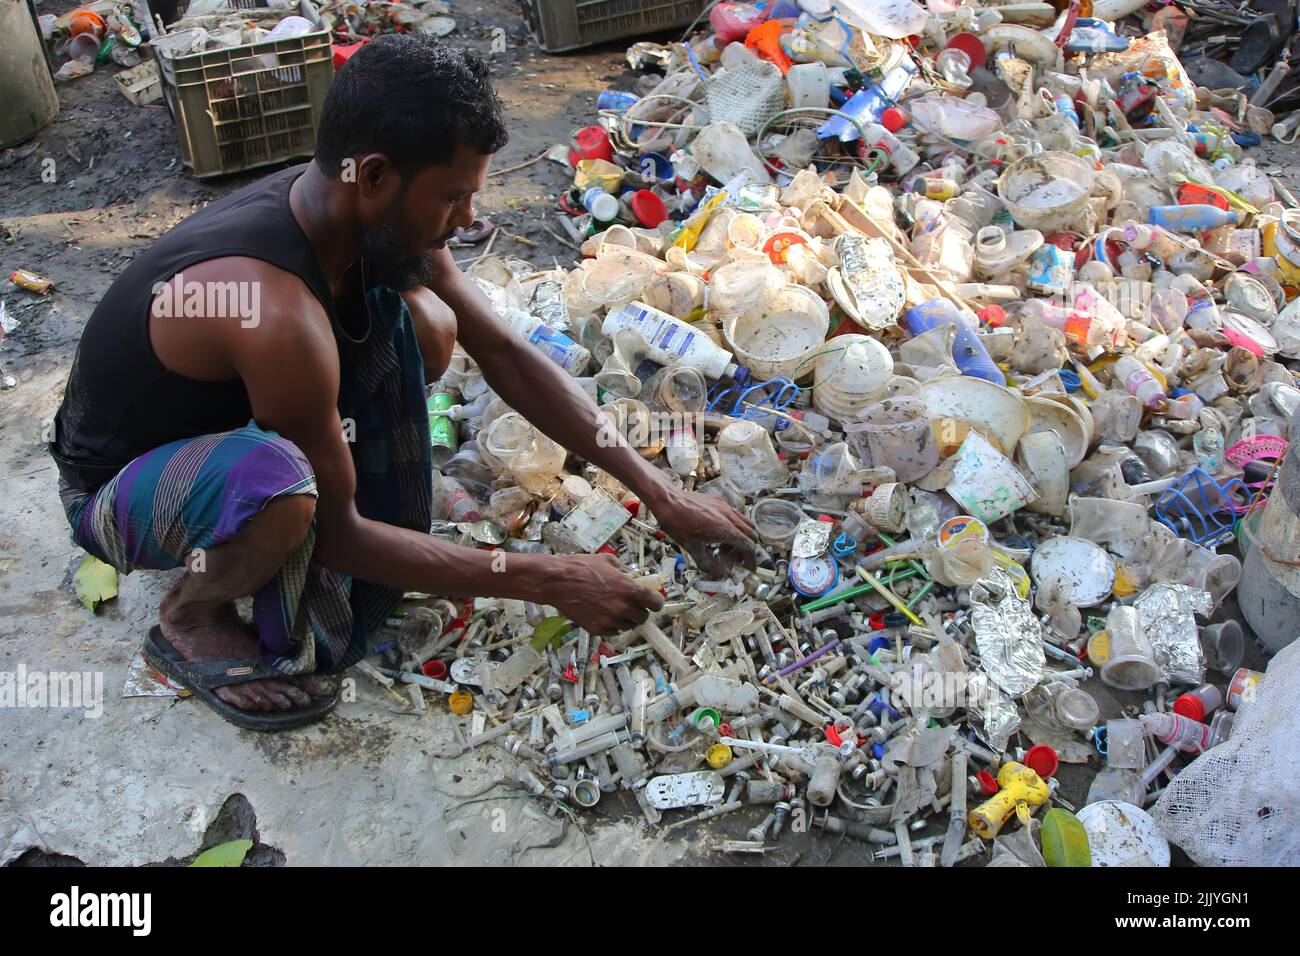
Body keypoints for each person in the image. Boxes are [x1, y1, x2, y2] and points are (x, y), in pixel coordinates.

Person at [49, 35, 757, 730]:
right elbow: (337, 536)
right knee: (286, 497)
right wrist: (546, 578)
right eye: (454, 198)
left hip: (228, 422)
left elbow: (506, 354)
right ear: (379, 174)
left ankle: (289, 481)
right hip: (118, 489)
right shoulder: (273, 310)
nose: (469, 219)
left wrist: (662, 494)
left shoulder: (354, 208)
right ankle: (190, 615)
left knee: (427, 322)